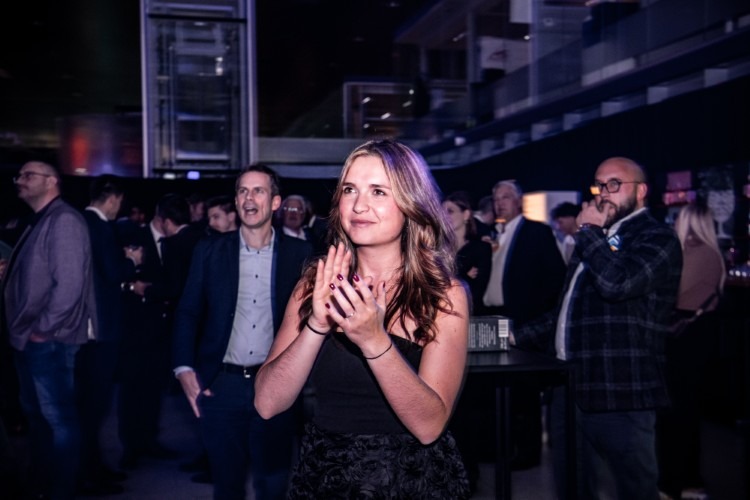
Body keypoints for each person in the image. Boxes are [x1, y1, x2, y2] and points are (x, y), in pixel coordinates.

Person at [254, 139, 470, 498]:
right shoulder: (315, 284)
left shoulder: (443, 295)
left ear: (411, 203)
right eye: (350, 189)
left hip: (411, 481)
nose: (359, 205)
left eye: (378, 191)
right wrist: (316, 326)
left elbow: (429, 426)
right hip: (327, 478)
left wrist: (374, 341)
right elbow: (267, 403)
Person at [514, 157, 683, 500]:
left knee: (635, 488)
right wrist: (511, 336)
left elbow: (616, 284)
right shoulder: (597, 240)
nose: (603, 193)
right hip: (569, 386)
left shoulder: (657, 238)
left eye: (614, 184)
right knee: (572, 486)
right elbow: (565, 313)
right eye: (599, 185)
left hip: (621, 390)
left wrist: (589, 232)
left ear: (641, 191)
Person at [173, 165, 312, 500]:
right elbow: (188, 310)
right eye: (243, 191)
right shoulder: (210, 251)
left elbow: (311, 322)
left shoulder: (300, 255)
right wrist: (184, 367)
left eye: (258, 190)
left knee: (273, 482)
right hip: (221, 385)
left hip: (275, 383)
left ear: (275, 202)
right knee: (227, 484)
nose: (249, 198)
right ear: (236, 201)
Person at [2, 161, 97, 500]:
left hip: (49, 341)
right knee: (39, 418)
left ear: (51, 181)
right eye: (19, 175)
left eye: (28, 175)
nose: (20, 180)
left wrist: (41, 330)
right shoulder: (41, 220)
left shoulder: (64, 220)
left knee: (58, 420)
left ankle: (60, 491)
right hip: (33, 339)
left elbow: (69, 287)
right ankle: (42, 486)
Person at [482, 179, 566, 470]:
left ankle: (528, 453)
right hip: (495, 318)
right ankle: (503, 447)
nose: (499, 203)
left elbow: (555, 279)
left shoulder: (536, 232)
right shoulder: (494, 234)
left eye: (505, 197)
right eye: (496, 198)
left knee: (524, 389)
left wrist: (536, 317)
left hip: (525, 320)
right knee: (501, 388)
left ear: (519, 201)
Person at [657, 203, 725, 500]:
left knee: (677, 414)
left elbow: (673, 291)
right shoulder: (709, 251)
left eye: (677, 219)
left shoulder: (698, 252)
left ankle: (676, 482)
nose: (673, 223)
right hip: (694, 333)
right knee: (683, 413)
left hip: (686, 336)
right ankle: (686, 480)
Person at [78, 174, 141, 494]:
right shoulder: (100, 227)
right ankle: (90, 473)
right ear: (113, 198)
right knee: (94, 406)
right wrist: (131, 261)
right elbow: (112, 273)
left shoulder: (82, 222)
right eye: (120, 201)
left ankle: (93, 468)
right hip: (100, 328)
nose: (120, 207)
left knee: (90, 405)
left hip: (88, 327)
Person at [442, 191, 491, 314]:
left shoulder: (480, 248)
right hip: (443, 314)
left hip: (471, 316)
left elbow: (477, 290)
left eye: (450, 211)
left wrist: (458, 277)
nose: (445, 216)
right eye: (442, 212)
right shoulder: (439, 249)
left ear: (466, 214)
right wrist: (465, 276)